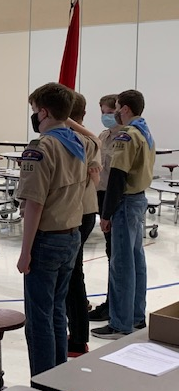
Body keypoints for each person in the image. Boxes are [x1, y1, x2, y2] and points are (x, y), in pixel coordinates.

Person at [15, 82, 86, 377]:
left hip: (46, 240)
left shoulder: (42, 148)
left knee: (39, 319)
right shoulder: (77, 142)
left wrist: (25, 252)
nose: (34, 116)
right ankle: (58, 377)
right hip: (71, 236)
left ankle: (42, 381)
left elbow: (34, 204)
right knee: (57, 311)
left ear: (43, 112)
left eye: (34, 110)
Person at [92, 90, 155, 339]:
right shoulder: (144, 131)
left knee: (122, 265)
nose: (116, 112)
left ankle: (120, 323)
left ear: (126, 109)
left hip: (125, 202)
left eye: (117, 107)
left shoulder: (127, 135)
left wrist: (106, 214)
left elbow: (117, 176)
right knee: (136, 261)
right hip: (138, 199)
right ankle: (136, 317)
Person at [65, 92, 102, 357]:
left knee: (71, 277)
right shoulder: (89, 139)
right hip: (87, 211)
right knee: (73, 274)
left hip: (76, 213)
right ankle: (77, 334)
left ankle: (78, 338)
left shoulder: (72, 140)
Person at [88, 94, 121, 322]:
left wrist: (108, 212)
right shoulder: (103, 136)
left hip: (114, 198)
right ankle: (111, 303)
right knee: (111, 252)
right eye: (103, 112)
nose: (106, 117)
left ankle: (114, 305)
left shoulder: (124, 138)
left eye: (110, 112)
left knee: (116, 254)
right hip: (99, 195)